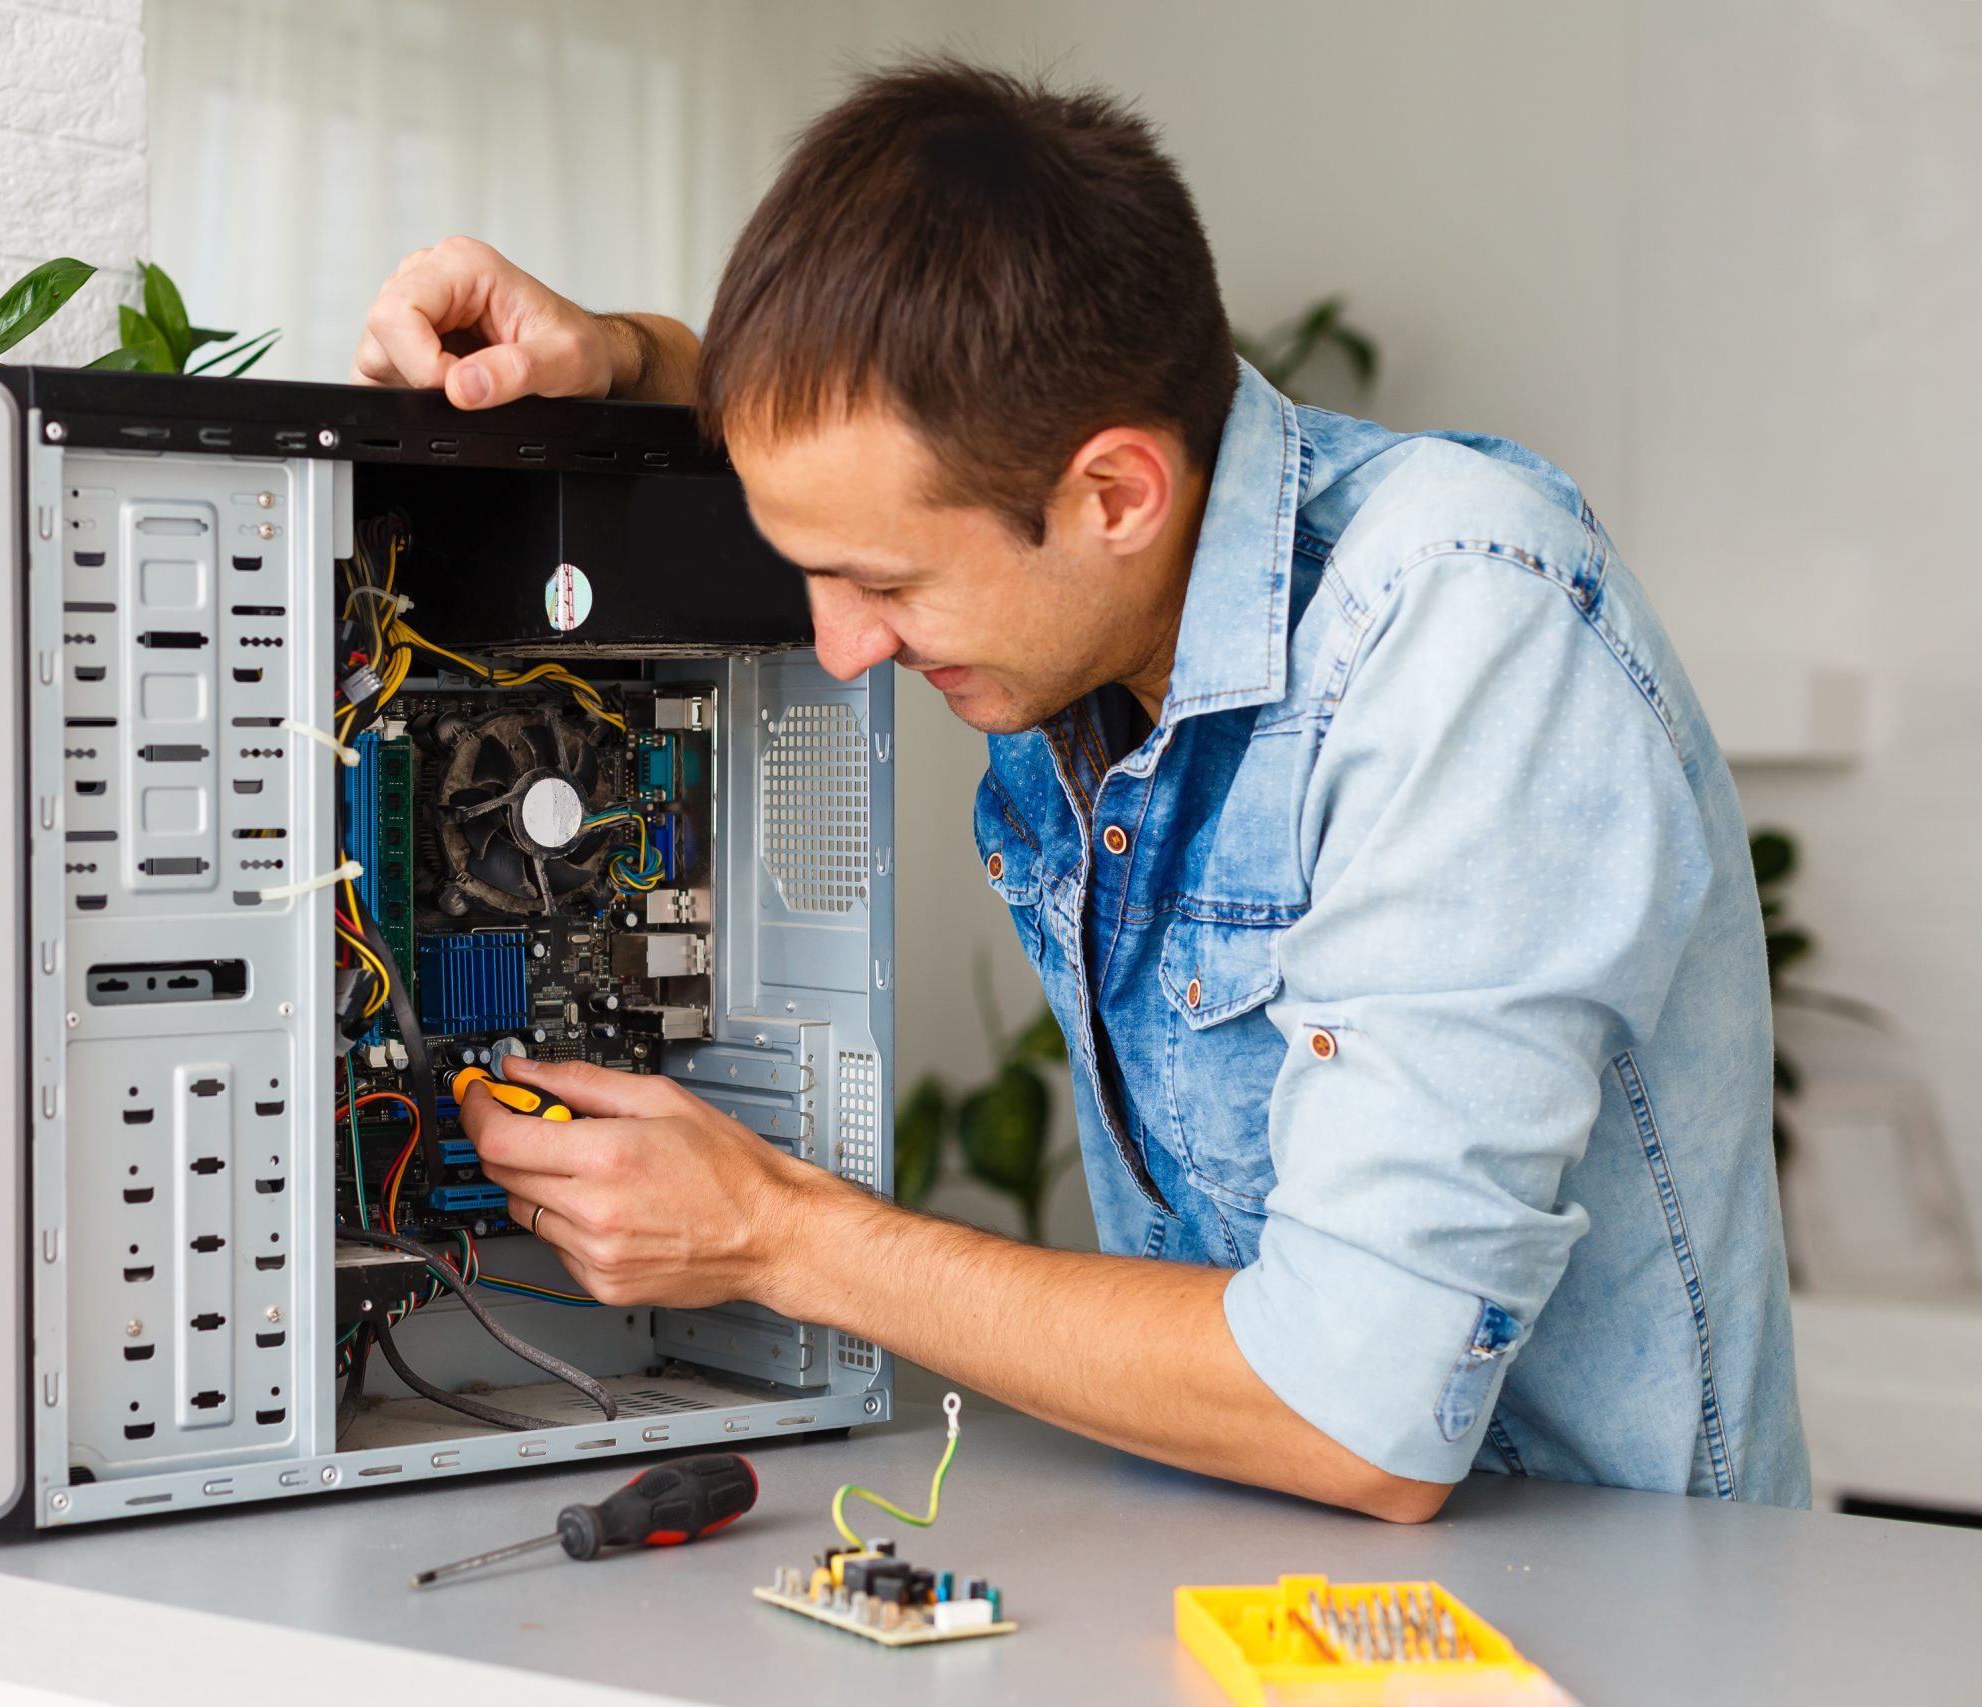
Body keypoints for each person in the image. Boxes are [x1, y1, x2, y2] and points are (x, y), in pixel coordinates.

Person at [352, 57, 1807, 1518]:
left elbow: (1356, 1411)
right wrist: (617, 355)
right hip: (1233, 1582)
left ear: (1116, 495)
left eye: (883, 585)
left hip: (1597, 1619)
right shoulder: (1078, 582)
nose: (843, 649)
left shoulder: (1461, 634)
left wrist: (778, 1236)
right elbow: (867, 462)